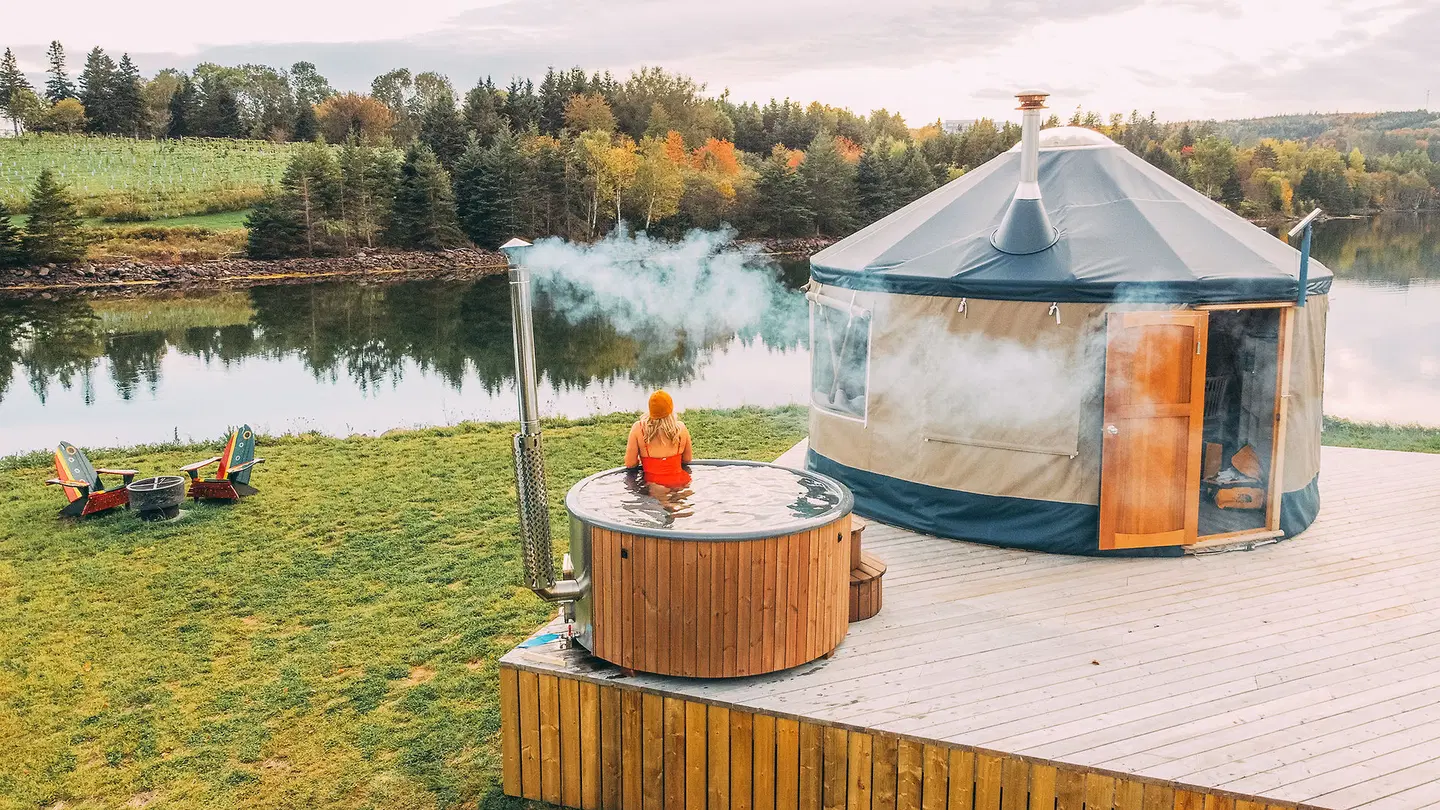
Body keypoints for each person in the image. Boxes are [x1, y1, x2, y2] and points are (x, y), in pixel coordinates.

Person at [625, 390, 694, 490]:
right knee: (679, 504)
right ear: (671, 408)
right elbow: (687, 459)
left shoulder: (638, 428)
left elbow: (630, 463)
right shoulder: (681, 428)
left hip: (653, 483)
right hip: (681, 481)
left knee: (661, 503)